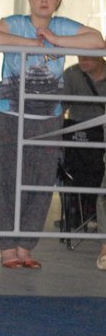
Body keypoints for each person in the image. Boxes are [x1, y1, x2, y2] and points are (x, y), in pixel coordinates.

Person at [0, 0, 103, 269]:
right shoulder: (16, 22)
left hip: (47, 116)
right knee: (4, 178)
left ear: (59, 0)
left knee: (42, 180)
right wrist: (31, 44)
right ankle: (7, 246)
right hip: (9, 111)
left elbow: (97, 41)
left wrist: (56, 40)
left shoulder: (62, 26)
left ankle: (26, 246)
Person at [63, 54, 106, 270]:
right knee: (77, 172)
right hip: (77, 131)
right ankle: (78, 214)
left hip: (102, 132)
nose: (83, 62)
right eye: (81, 57)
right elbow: (59, 105)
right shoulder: (71, 74)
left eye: (88, 57)